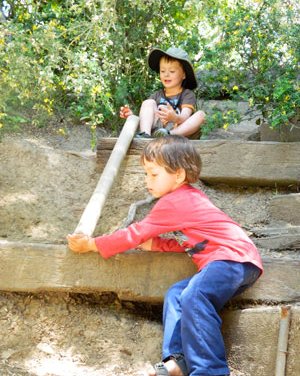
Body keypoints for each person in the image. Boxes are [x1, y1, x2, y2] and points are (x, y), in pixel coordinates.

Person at [67, 136, 263, 376]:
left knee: (194, 295)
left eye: (154, 174)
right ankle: (178, 361)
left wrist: (93, 244)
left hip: (233, 260)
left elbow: (135, 233)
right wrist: (157, 244)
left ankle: (210, 369)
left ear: (178, 175)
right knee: (177, 295)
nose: (147, 181)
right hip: (234, 262)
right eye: (146, 174)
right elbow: (191, 243)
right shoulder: (188, 200)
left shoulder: (176, 201)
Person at [119, 47, 206, 139]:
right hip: (158, 131)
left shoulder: (187, 94)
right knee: (148, 102)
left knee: (201, 115)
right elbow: (147, 117)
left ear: (184, 75)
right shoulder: (156, 95)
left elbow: (185, 116)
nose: (166, 74)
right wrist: (132, 117)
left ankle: (170, 134)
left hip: (178, 132)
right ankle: (145, 135)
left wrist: (175, 118)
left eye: (172, 71)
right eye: (162, 71)